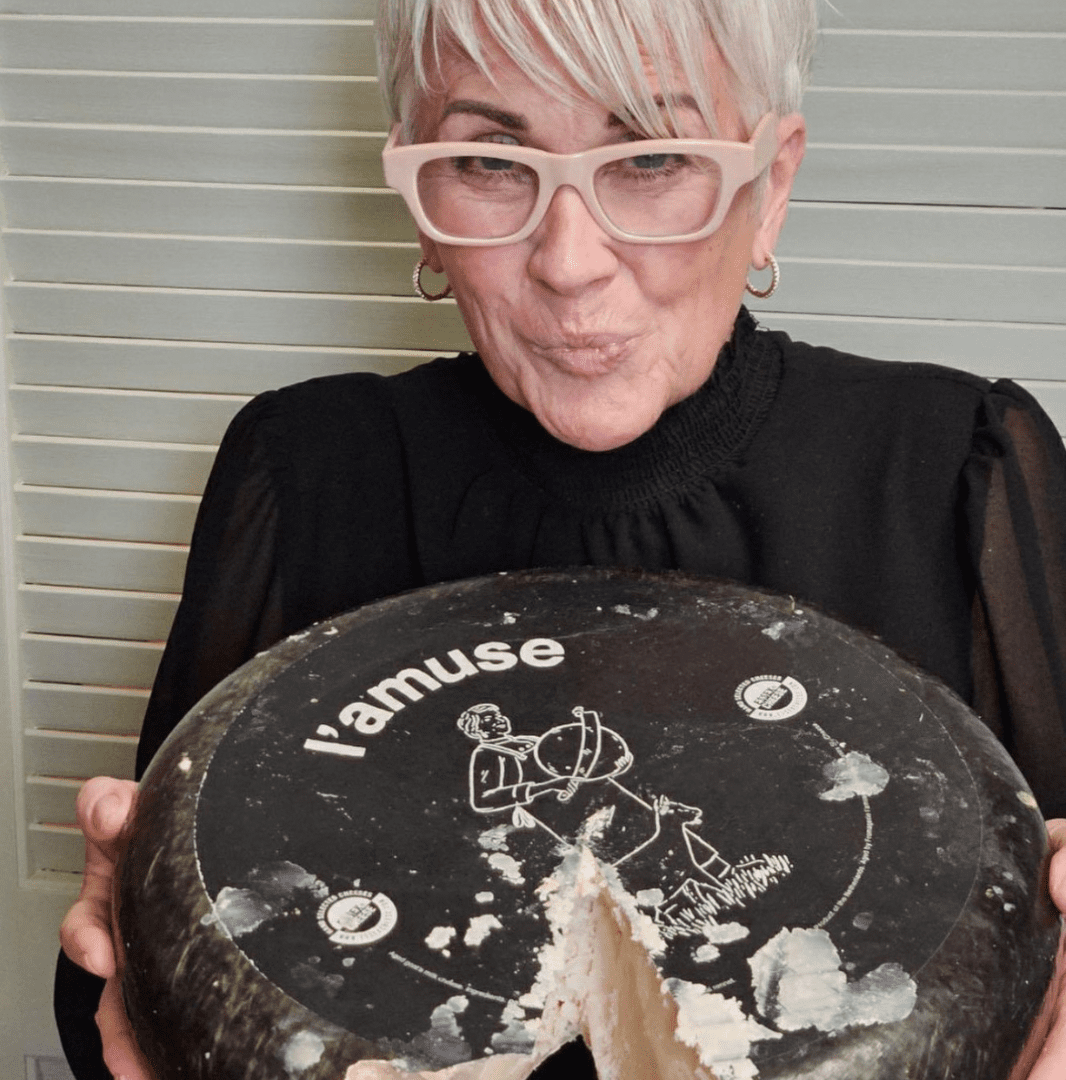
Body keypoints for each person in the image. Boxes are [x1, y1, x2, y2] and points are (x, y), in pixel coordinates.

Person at [55, 0, 1066, 1077]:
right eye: (490, 163)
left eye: (653, 157)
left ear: (768, 186)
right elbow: (170, 971)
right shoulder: (301, 471)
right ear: (419, 198)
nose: (569, 262)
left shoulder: (954, 465)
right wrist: (128, 979)